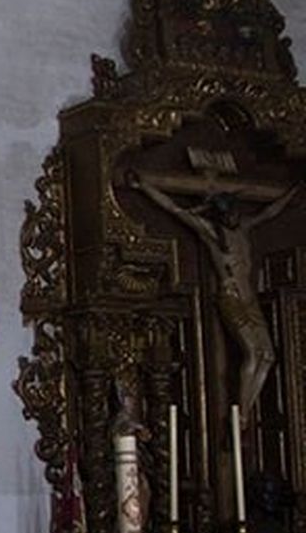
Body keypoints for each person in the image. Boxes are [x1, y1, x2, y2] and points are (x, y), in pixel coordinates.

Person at [129, 172, 304, 421]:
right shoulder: (210, 233)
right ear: (221, 214)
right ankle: (241, 415)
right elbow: (174, 209)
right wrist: (144, 186)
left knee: (268, 356)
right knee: (253, 354)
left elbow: (269, 213)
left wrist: (292, 193)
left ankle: (246, 410)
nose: (234, 216)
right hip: (231, 296)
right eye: (229, 213)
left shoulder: (244, 228)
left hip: (249, 298)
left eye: (235, 211)